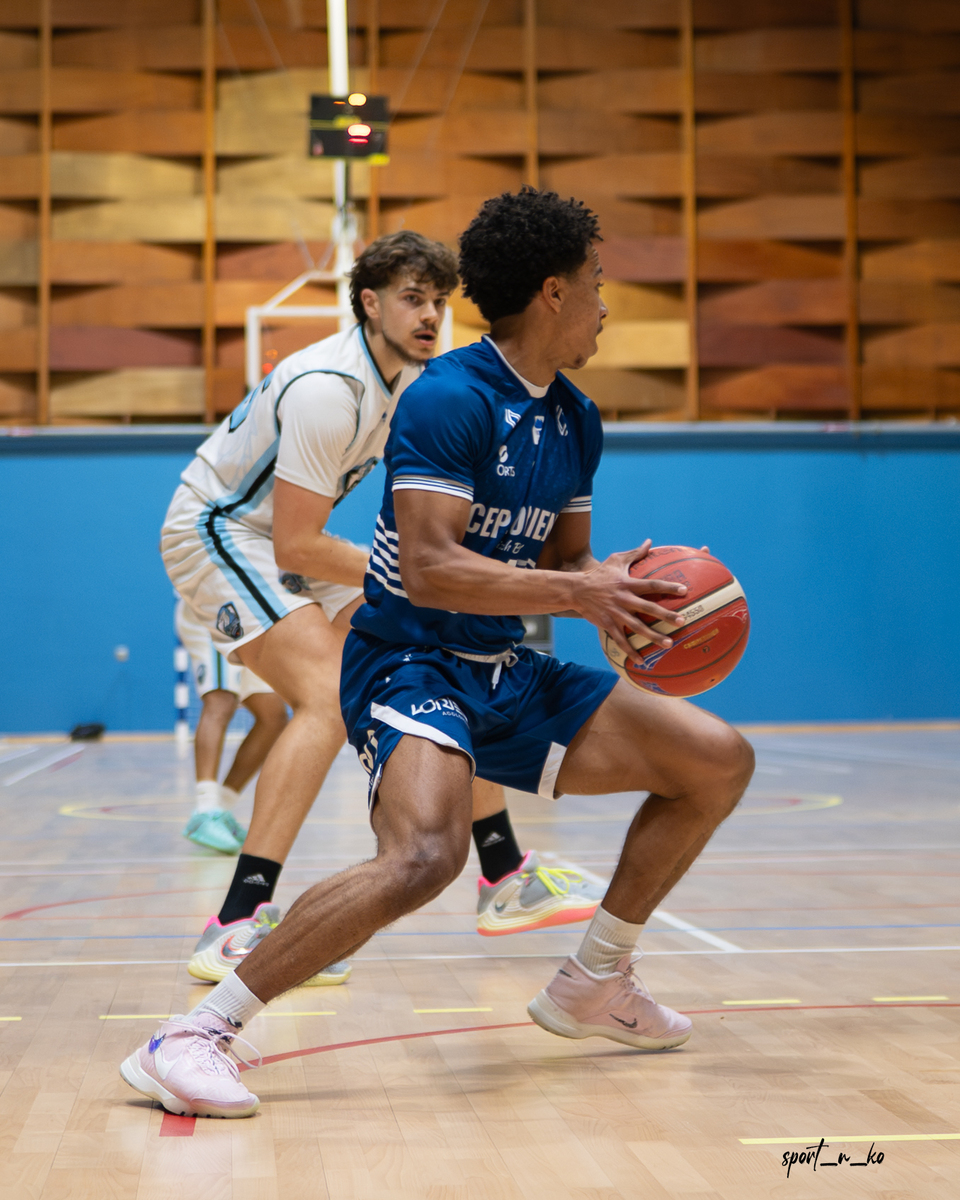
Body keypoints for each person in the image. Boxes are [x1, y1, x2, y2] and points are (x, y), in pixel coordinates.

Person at [120, 189, 754, 1119]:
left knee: (716, 761)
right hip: (409, 662)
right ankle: (193, 1036)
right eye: (595, 283)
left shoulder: (576, 418)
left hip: (502, 666)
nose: (605, 304)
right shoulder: (450, 397)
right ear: (552, 292)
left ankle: (595, 979)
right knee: (424, 854)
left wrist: (617, 594)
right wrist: (577, 593)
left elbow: (564, 564)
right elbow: (426, 568)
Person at [159, 231, 603, 988]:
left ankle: (502, 872)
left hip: (284, 541)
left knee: (444, 647)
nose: (430, 315)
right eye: (411, 299)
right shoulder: (329, 389)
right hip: (220, 530)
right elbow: (297, 543)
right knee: (325, 695)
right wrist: (417, 573)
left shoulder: (419, 382)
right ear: (369, 302)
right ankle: (237, 918)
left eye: (439, 301)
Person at [175, 599, 289, 854]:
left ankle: (222, 808)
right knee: (221, 700)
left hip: (253, 617)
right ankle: (206, 810)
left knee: (273, 717)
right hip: (216, 606)